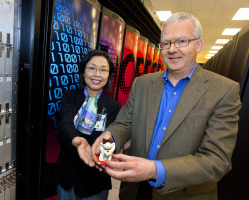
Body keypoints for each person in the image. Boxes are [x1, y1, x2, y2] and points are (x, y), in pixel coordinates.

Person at [91, 12, 242, 200]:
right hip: (135, 190)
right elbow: (123, 124)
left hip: (181, 193)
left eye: (181, 41)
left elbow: (217, 160)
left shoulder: (224, 90)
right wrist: (110, 136)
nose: (172, 49)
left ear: (199, 45)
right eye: (166, 43)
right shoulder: (143, 84)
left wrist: (155, 170)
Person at [55, 50, 121, 200]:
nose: (97, 74)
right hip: (68, 172)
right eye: (92, 68)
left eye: (103, 70)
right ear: (83, 72)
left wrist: (104, 157)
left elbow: (111, 137)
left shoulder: (114, 106)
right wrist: (79, 142)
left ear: (109, 75)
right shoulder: (70, 96)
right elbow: (65, 125)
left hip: (95, 175)